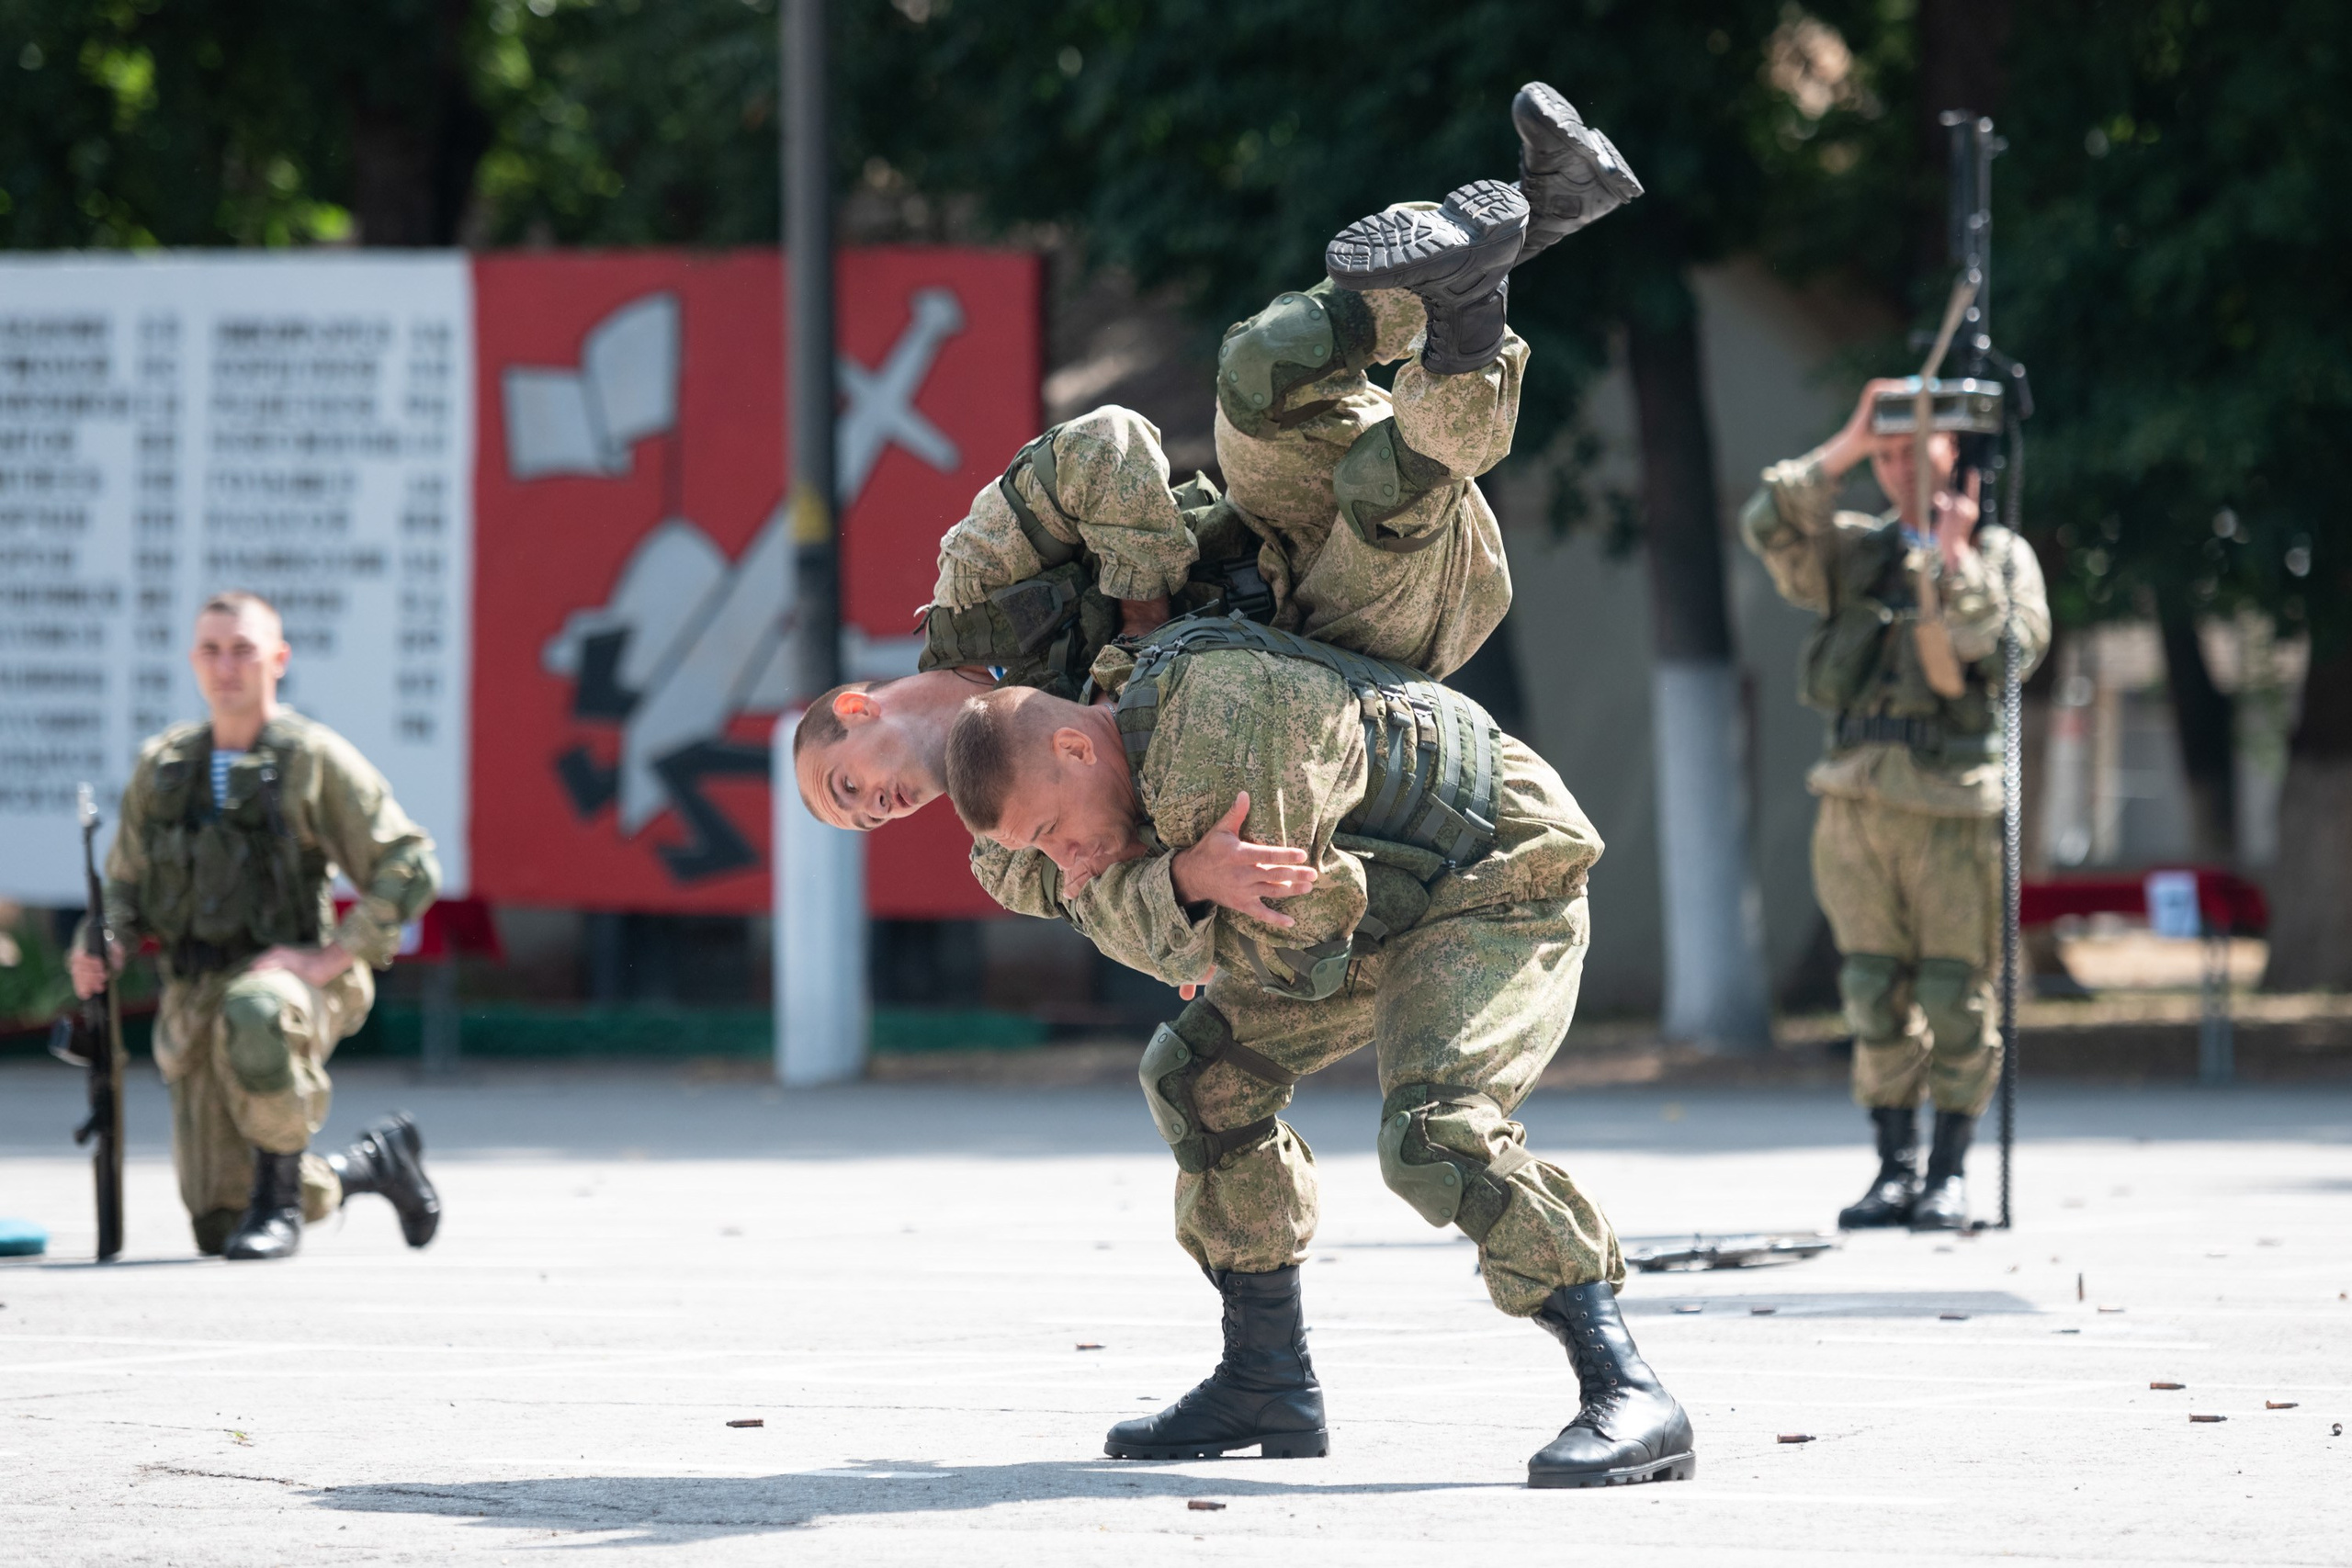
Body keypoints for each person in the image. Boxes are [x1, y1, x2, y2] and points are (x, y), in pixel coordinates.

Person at [942, 615, 1695, 1490]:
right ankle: (1267, 1379)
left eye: (1050, 830)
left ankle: (1630, 1388)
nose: (1065, 862)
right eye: (1040, 849)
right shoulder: (1128, 777)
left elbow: (1301, 929)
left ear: (1075, 748)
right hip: (1384, 902)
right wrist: (1185, 884)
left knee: (1434, 1134)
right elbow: (1176, 924)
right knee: (1199, 1080)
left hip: (1493, 873)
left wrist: (1165, 910)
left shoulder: (1212, 720)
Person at [790, 82, 1640, 849]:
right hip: (1346, 632)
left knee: (1263, 364)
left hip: (1271, 532)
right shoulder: (1016, 842)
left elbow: (1107, 440)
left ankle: (1544, 207)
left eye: (847, 784)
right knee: (1379, 490)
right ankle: (1479, 311)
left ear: (857, 708)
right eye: (857, 819)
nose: (872, 809)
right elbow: (1133, 904)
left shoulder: (975, 585)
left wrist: (1140, 610)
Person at [1739, 379, 2050, 1231]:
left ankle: (1947, 1170)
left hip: (1953, 805)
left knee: (1957, 990)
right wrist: (1844, 446)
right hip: (1857, 802)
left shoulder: (2001, 552)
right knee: (1872, 989)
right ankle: (1893, 1166)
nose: (1900, 465)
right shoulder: (1853, 550)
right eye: (1887, 453)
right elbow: (1766, 522)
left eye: (1917, 446)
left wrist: (1955, 564)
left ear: (1957, 451)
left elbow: (2015, 649)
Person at [68, 592, 444, 1261]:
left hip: (285, 986)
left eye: (243, 649)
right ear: (193, 661)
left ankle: (279, 1206)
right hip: (195, 995)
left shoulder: (310, 759)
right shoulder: (164, 769)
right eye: (211, 650)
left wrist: (336, 955)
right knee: (218, 1225)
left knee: (257, 1007)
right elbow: (124, 885)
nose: (226, 666)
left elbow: (408, 863)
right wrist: (106, 943)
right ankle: (371, 1162)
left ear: (279, 659)